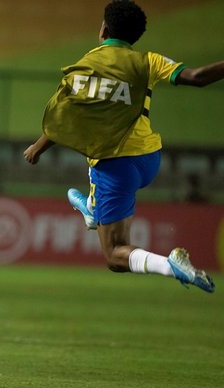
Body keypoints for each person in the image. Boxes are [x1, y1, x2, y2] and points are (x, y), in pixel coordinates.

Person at [23, 0, 220, 293]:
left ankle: (170, 265)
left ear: (103, 29)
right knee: (98, 145)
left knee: (115, 254)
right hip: (149, 159)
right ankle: (92, 208)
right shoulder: (147, 61)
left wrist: (39, 147)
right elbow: (197, 77)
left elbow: (65, 117)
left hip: (115, 166)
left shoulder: (87, 64)